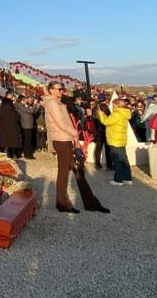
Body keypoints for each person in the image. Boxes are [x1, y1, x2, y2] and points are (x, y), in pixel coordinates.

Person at [43, 82, 109, 214]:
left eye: (62, 89)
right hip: (61, 140)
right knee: (65, 172)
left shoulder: (58, 102)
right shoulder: (52, 103)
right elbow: (60, 123)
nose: (61, 91)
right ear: (51, 90)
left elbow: (67, 119)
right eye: (59, 89)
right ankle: (64, 203)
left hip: (66, 139)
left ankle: (90, 202)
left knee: (77, 169)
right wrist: (75, 133)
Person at [98, 99, 134, 186]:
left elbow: (106, 122)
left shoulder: (117, 113)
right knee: (124, 159)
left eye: (113, 104)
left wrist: (100, 113)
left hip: (114, 140)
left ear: (117, 105)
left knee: (116, 160)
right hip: (121, 140)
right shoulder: (124, 113)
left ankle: (118, 180)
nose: (112, 106)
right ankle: (127, 178)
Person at [15, 95, 37, 159]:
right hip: (26, 125)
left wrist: (35, 106)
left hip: (27, 125)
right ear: (21, 100)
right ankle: (27, 155)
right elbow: (31, 111)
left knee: (27, 140)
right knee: (27, 141)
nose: (26, 100)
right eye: (24, 99)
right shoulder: (20, 106)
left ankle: (26, 153)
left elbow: (32, 111)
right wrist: (35, 104)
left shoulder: (23, 106)